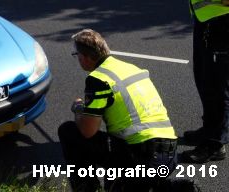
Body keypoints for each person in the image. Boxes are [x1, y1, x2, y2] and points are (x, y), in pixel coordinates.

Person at [58, 29, 178, 192]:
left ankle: (87, 188)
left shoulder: (98, 79)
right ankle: (159, 185)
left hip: (141, 156)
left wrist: (79, 109)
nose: (77, 59)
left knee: (68, 131)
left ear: (85, 57)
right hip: (169, 153)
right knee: (115, 178)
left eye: (76, 55)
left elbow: (88, 131)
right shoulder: (131, 68)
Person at [177, 0, 229, 163]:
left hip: (221, 27)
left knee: (218, 87)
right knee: (205, 81)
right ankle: (208, 130)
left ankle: (215, 144)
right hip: (206, 24)